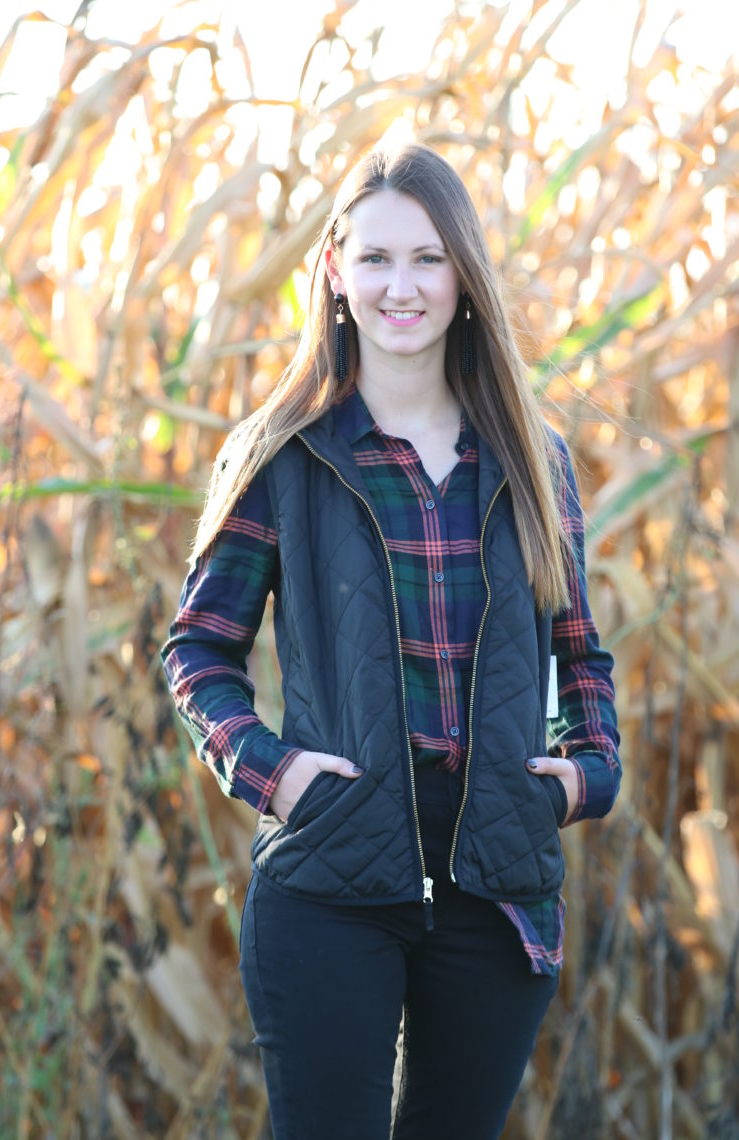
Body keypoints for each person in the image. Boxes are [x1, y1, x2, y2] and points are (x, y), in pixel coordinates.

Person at [161, 141, 621, 1140]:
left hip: (495, 882)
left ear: (463, 275)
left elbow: (579, 651)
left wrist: (584, 776)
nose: (400, 286)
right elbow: (198, 650)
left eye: (426, 258)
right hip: (333, 872)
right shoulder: (282, 456)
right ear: (334, 272)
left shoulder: (534, 462)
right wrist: (273, 776)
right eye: (374, 259)